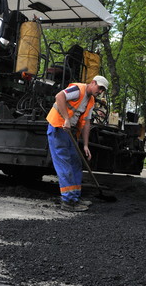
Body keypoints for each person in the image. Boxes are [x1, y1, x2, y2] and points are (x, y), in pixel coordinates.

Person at [46, 75, 109, 212]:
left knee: (76, 163)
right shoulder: (78, 89)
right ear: (92, 83)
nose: (100, 91)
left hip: (70, 133)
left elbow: (86, 123)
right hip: (58, 128)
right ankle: (68, 201)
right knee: (65, 163)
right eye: (99, 88)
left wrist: (86, 145)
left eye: (102, 90)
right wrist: (66, 119)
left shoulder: (91, 100)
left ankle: (75, 197)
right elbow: (59, 96)